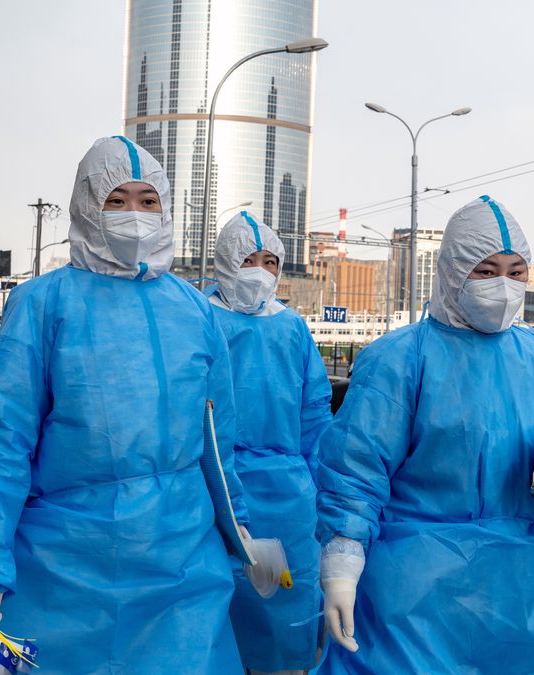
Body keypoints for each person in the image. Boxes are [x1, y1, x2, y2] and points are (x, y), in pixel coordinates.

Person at [0, 136, 249, 673]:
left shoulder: (195, 311)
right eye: (117, 200)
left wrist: (238, 523)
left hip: (182, 562)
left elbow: (217, 439)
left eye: (147, 200)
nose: (134, 214)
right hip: (65, 565)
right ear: (88, 206)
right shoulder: (43, 303)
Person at [315, 196, 534, 674]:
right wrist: (343, 554)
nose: (503, 285)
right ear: (452, 271)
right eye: (485, 271)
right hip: (413, 586)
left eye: (516, 271)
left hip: (519, 584)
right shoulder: (401, 359)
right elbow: (357, 467)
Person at [205, 212, 332, 674]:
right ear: (225, 261)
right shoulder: (200, 317)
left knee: (290, 609)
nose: (260, 271)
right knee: (222, 607)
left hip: (290, 495)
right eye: (248, 260)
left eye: (270, 262)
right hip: (216, 483)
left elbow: (315, 416)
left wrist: (323, 493)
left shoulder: (292, 327)